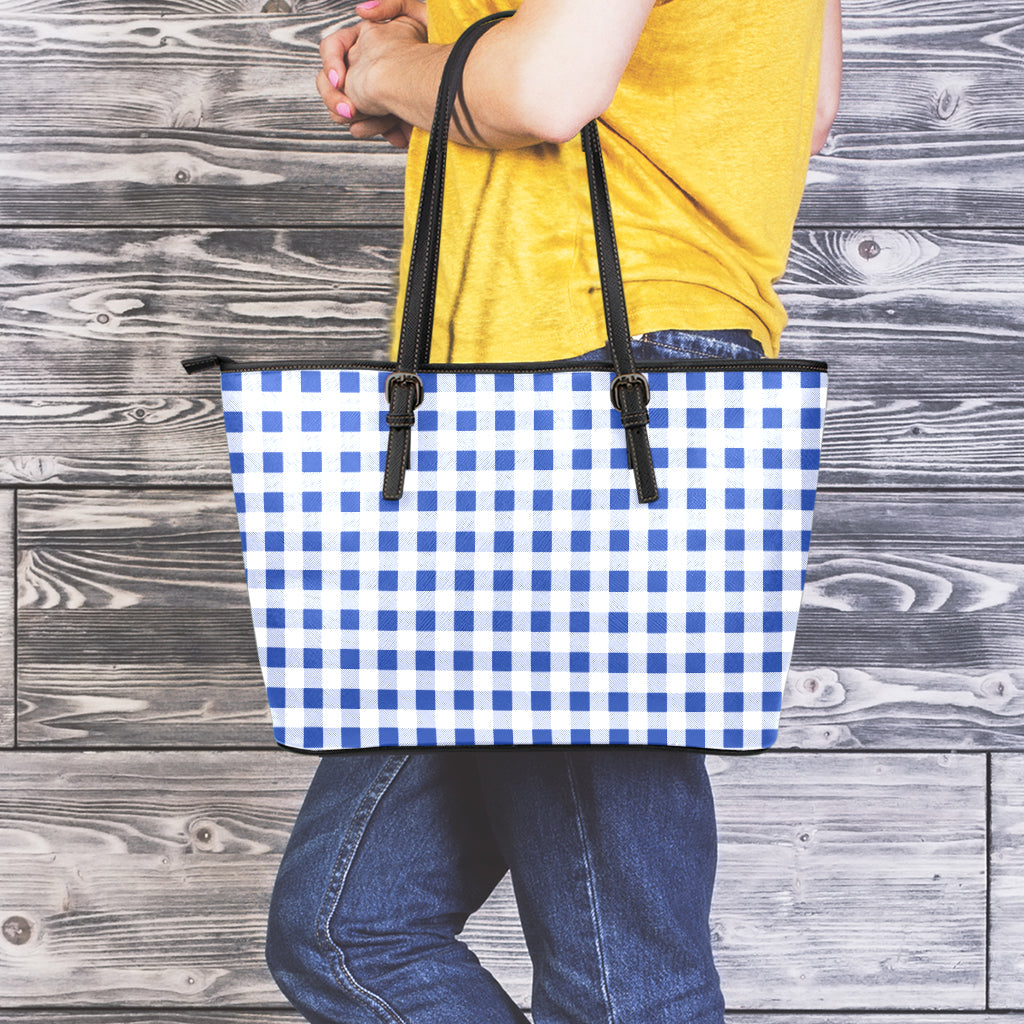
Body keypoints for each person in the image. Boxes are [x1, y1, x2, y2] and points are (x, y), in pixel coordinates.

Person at [264, 2, 842, 1023]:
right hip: (529, 406)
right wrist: (440, 71)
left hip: (585, 389)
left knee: (623, 980)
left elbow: (543, 90)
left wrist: (393, 68)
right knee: (346, 927)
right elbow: (797, 105)